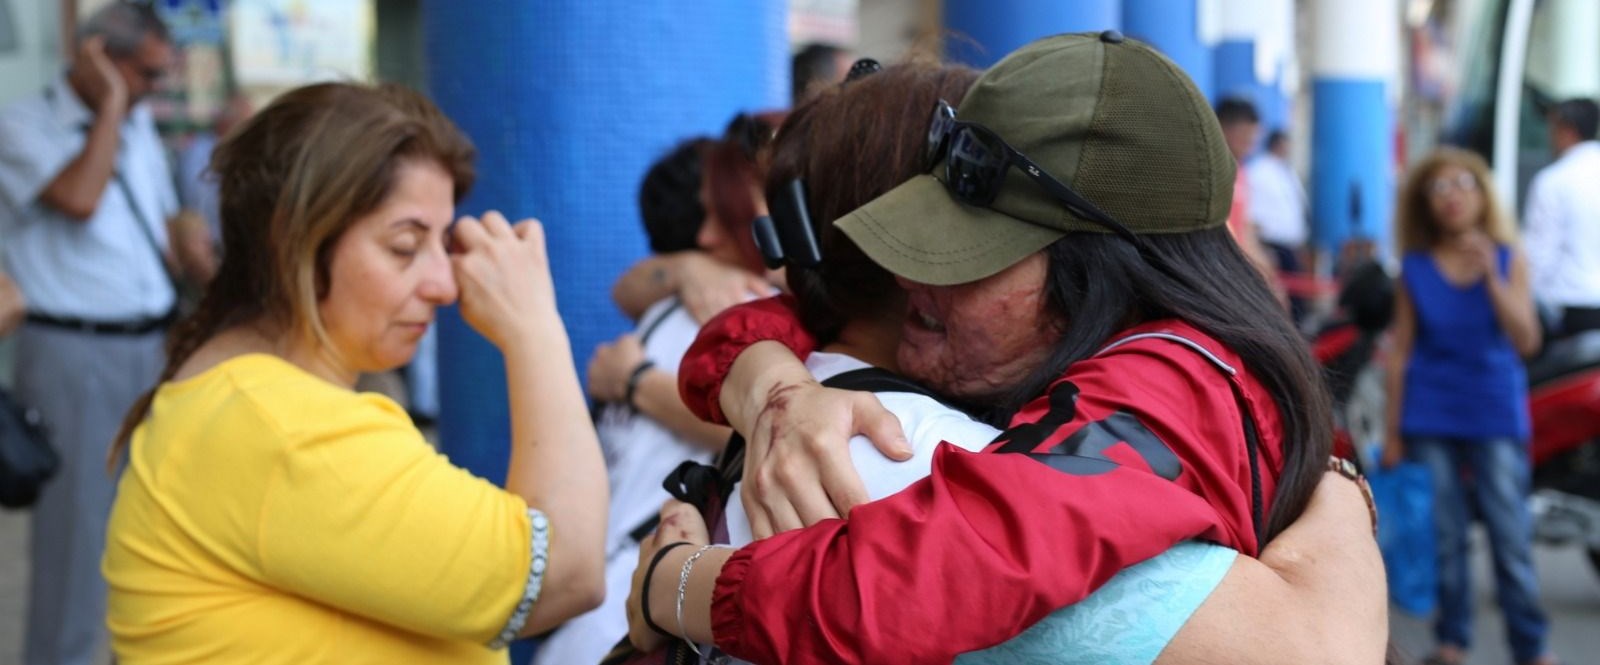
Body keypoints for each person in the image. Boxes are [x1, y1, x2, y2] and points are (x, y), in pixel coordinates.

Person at [629, 33, 1362, 664]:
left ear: (1095, 274)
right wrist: (769, 378)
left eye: (967, 254)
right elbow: (770, 319)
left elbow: (934, 570)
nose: (912, 278)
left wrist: (677, 584)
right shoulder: (1181, 356)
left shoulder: (1157, 390)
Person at [101, 82, 607, 663]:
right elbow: (567, 571)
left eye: (443, 243)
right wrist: (534, 328)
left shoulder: (247, 400)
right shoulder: (285, 430)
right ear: (294, 240)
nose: (444, 285)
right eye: (404, 247)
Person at [0, 5, 199, 662]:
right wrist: (111, 105)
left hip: (150, 343)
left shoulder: (137, 125)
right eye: (145, 74)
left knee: (151, 531)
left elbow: (162, 226)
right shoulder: (24, 123)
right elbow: (80, 199)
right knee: (78, 542)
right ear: (97, 58)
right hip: (74, 351)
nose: (152, 89)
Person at [533, 136, 742, 665]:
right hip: (627, 608)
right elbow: (751, 422)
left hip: (594, 602)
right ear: (714, 222)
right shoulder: (732, 306)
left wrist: (634, 380)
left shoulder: (666, 305)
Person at [1381, 147, 1554, 665]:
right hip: (1430, 411)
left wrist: (1492, 281)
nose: (1452, 196)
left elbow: (1527, 340)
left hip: (1494, 410)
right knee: (1446, 535)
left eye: (1463, 183)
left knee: (1510, 534)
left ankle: (1531, 647)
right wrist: (1392, 432)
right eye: (1439, 187)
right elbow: (1401, 353)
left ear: (1482, 195)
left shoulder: (1507, 257)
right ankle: (1452, 641)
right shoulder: (1415, 267)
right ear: (1425, 203)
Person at [1523, 98, 1600, 339]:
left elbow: (1539, 255)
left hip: (1573, 310)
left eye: (1552, 128)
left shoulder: (1553, 180)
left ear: (1567, 130)